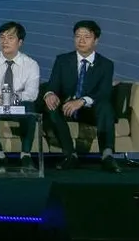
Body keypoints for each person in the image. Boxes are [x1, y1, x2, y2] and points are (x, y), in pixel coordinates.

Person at [43, 20, 121, 173]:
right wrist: (50, 94)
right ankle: (70, 155)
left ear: (96, 40)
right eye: (78, 36)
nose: (81, 40)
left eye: (87, 37)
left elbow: (104, 92)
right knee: (50, 107)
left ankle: (107, 155)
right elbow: (52, 85)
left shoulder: (106, 64)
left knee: (105, 106)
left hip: (90, 111)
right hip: (66, 108)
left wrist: (82, 101)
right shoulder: (62, 60)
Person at [0, 22, 41, 172]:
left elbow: (32, 94)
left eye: (10, 38)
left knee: (30, 107)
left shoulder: (31, 64)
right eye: (2, 37)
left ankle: (25, 155)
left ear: (20, 42)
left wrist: (11, 98)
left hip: (18, 104)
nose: (5, 41)